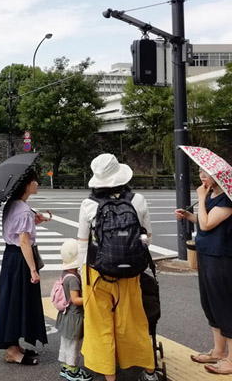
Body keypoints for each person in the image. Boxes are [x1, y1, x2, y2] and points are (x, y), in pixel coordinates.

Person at [77, 153, 157, 381]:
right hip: (130, 274)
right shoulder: (137, 200)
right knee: (133, 322)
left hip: (97, 274)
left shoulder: (89, 205)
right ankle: (149, 372)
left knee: (100, 325)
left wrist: (84, 275)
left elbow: (83, 243)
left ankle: (110, 375)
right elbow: (147, 238)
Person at [175, 167, 232, 375]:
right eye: (200, 172)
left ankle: (231, 360)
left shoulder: (227, 199)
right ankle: (218, 351)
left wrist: (200, 196)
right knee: (209, 303)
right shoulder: (211, 195)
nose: (202, 176)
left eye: (206, 173)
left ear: (219, 176)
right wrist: (189, 215)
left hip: (222, 258)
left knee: (224, 305)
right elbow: (202, 220)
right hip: (206, 255)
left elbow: (207, 224)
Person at [0, 169, 50, 365]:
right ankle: (12, 351)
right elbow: (24, 242)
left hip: (10, 257)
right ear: (26, 186)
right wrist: (33, 269)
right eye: (35, 181)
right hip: (20, 259)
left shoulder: (13, 205)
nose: (37, 184)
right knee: (17, 301)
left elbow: (18, 232)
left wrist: (36, 220)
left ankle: (14, 346)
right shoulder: (23, 210)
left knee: (12, 300)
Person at [56, 239, 92, 381]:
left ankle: (65, 366)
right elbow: (75, 299)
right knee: (74, 344)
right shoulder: (74, 279)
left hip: (66, 315)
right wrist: (90, 299)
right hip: (74, 317)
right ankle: (73, 370)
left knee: (66, 342)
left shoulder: (65, 274)